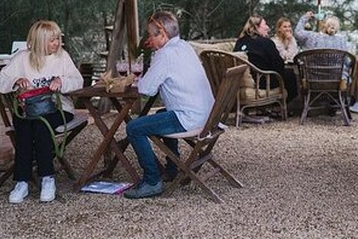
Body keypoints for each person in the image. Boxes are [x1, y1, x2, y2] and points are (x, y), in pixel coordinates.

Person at [0, 20, 84, 204]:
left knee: (41, 125)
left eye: (57, 39)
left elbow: (78, 81)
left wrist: (61, 81)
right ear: (39, 41)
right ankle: (22, 182)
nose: (56, 43)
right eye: (52, 40)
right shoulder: (22, 58)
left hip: (59, 108)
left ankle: (47, 177)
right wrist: (16, 80)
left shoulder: (62, 57)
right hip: (29, 110)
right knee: (25, 125)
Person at [124, 11, 214, 199]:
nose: (149, 39)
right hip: (207, 116)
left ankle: (151, 181)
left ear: (162, 34)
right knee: (164, 113)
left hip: (189, 118)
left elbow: (146, 89)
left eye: (151, 35)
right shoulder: (185, 46)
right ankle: (173, 167)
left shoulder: (165, 54)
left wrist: (136, 79)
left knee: (134, 128)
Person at [235, 15, 299, 103]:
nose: (267, 28)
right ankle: (283, 107)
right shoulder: (266, 42)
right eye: (264, 25)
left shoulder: (239, 42)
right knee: (291, 75)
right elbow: (279, 65)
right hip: (264, 80)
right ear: (256, 27)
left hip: (242, 82)